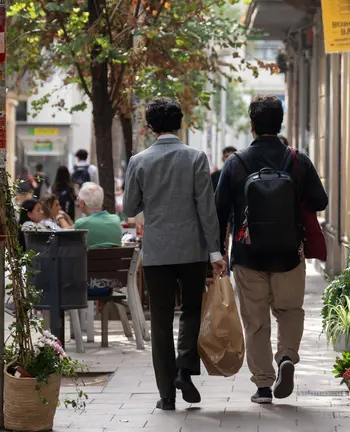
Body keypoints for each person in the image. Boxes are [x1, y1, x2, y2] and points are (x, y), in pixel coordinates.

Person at [215, 95, 328, 404]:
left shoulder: (236, 162)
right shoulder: (297, 159)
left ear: (252, 126)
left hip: (248, 254)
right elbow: (321, 201)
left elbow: (220, 210)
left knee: (255, 319)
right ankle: (287, 357)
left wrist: (218, 254)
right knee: (290, 311)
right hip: (289, 253)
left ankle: (263, 385)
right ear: (279, 124)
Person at [123, 98, 227, 411]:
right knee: (193, 310)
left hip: (157, 253)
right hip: (193, 250)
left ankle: (166, 394)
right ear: (180, 123)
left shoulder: (139, 160)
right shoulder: (196, 158)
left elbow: (129, 208)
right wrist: (215, 252)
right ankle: (184, 369)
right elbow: (206, 210)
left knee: (161, 319)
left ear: (149, 126)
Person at [74, 183, 123, 248]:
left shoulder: (80, 224)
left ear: (82, 203)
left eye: (78, 199)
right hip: (115, 257)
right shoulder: (116, 220)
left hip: (90, 258)